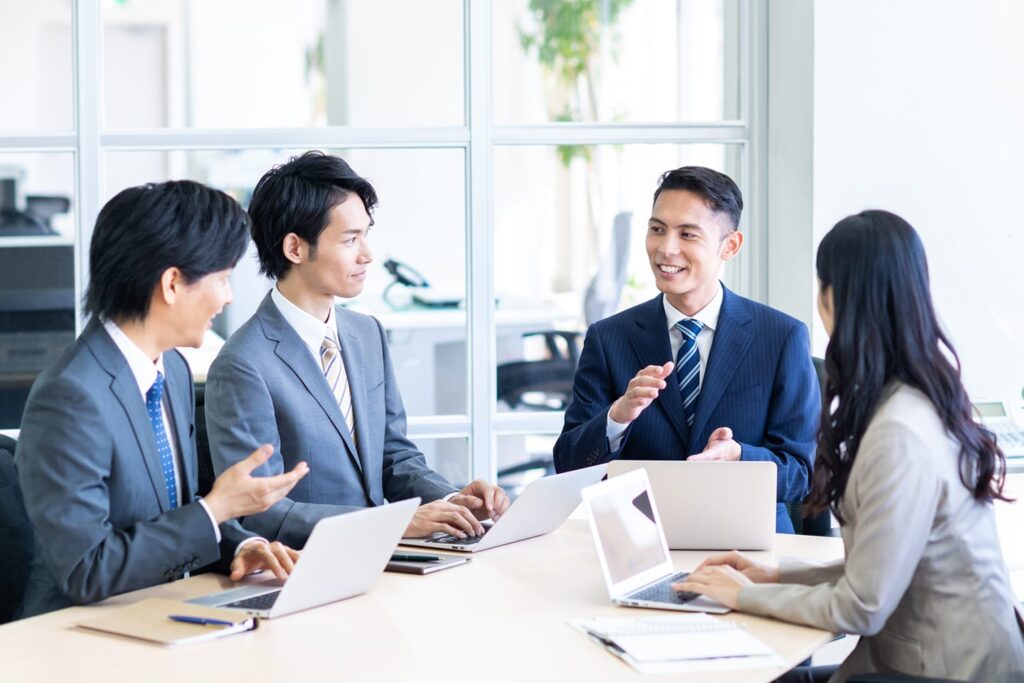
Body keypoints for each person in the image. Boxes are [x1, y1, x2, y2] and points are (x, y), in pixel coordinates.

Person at [673, 210, 1024, 682]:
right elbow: (878, 566)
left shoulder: (900, 432)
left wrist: (740, 595)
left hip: (945, 669)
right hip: (942, 654)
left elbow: (863, 604)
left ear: (834, 297)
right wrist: (773, 575)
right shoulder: (917, 398)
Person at [16, 181, 308, 618]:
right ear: (172, 283)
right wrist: (216, 508)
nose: (228, 297)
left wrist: (242, 545)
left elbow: (178, 512)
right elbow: (85, 570)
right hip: (80, 634)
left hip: (166, 613)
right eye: (223, 278)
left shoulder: (171, 370)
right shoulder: (70, 397)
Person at [205, 151, 509, 549]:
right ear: (295, 248)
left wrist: (453, 501)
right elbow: (263, 511)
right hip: (305, 573)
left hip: (384, 561)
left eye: (366, 234)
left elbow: (394, 457)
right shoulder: (243, 363)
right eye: (350, 239)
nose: (367, 254)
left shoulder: (366, 334)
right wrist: (394, 523)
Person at [553, 166, 818, 532]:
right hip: (639, 543)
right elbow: (568, 465)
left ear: (731, 245)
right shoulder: (608, 337)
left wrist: (740, 457)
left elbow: (802, 475)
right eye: (657, 229)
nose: (666, 249)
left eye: (687, 234)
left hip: (746, 543)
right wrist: (617, 416)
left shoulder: (781, 336)